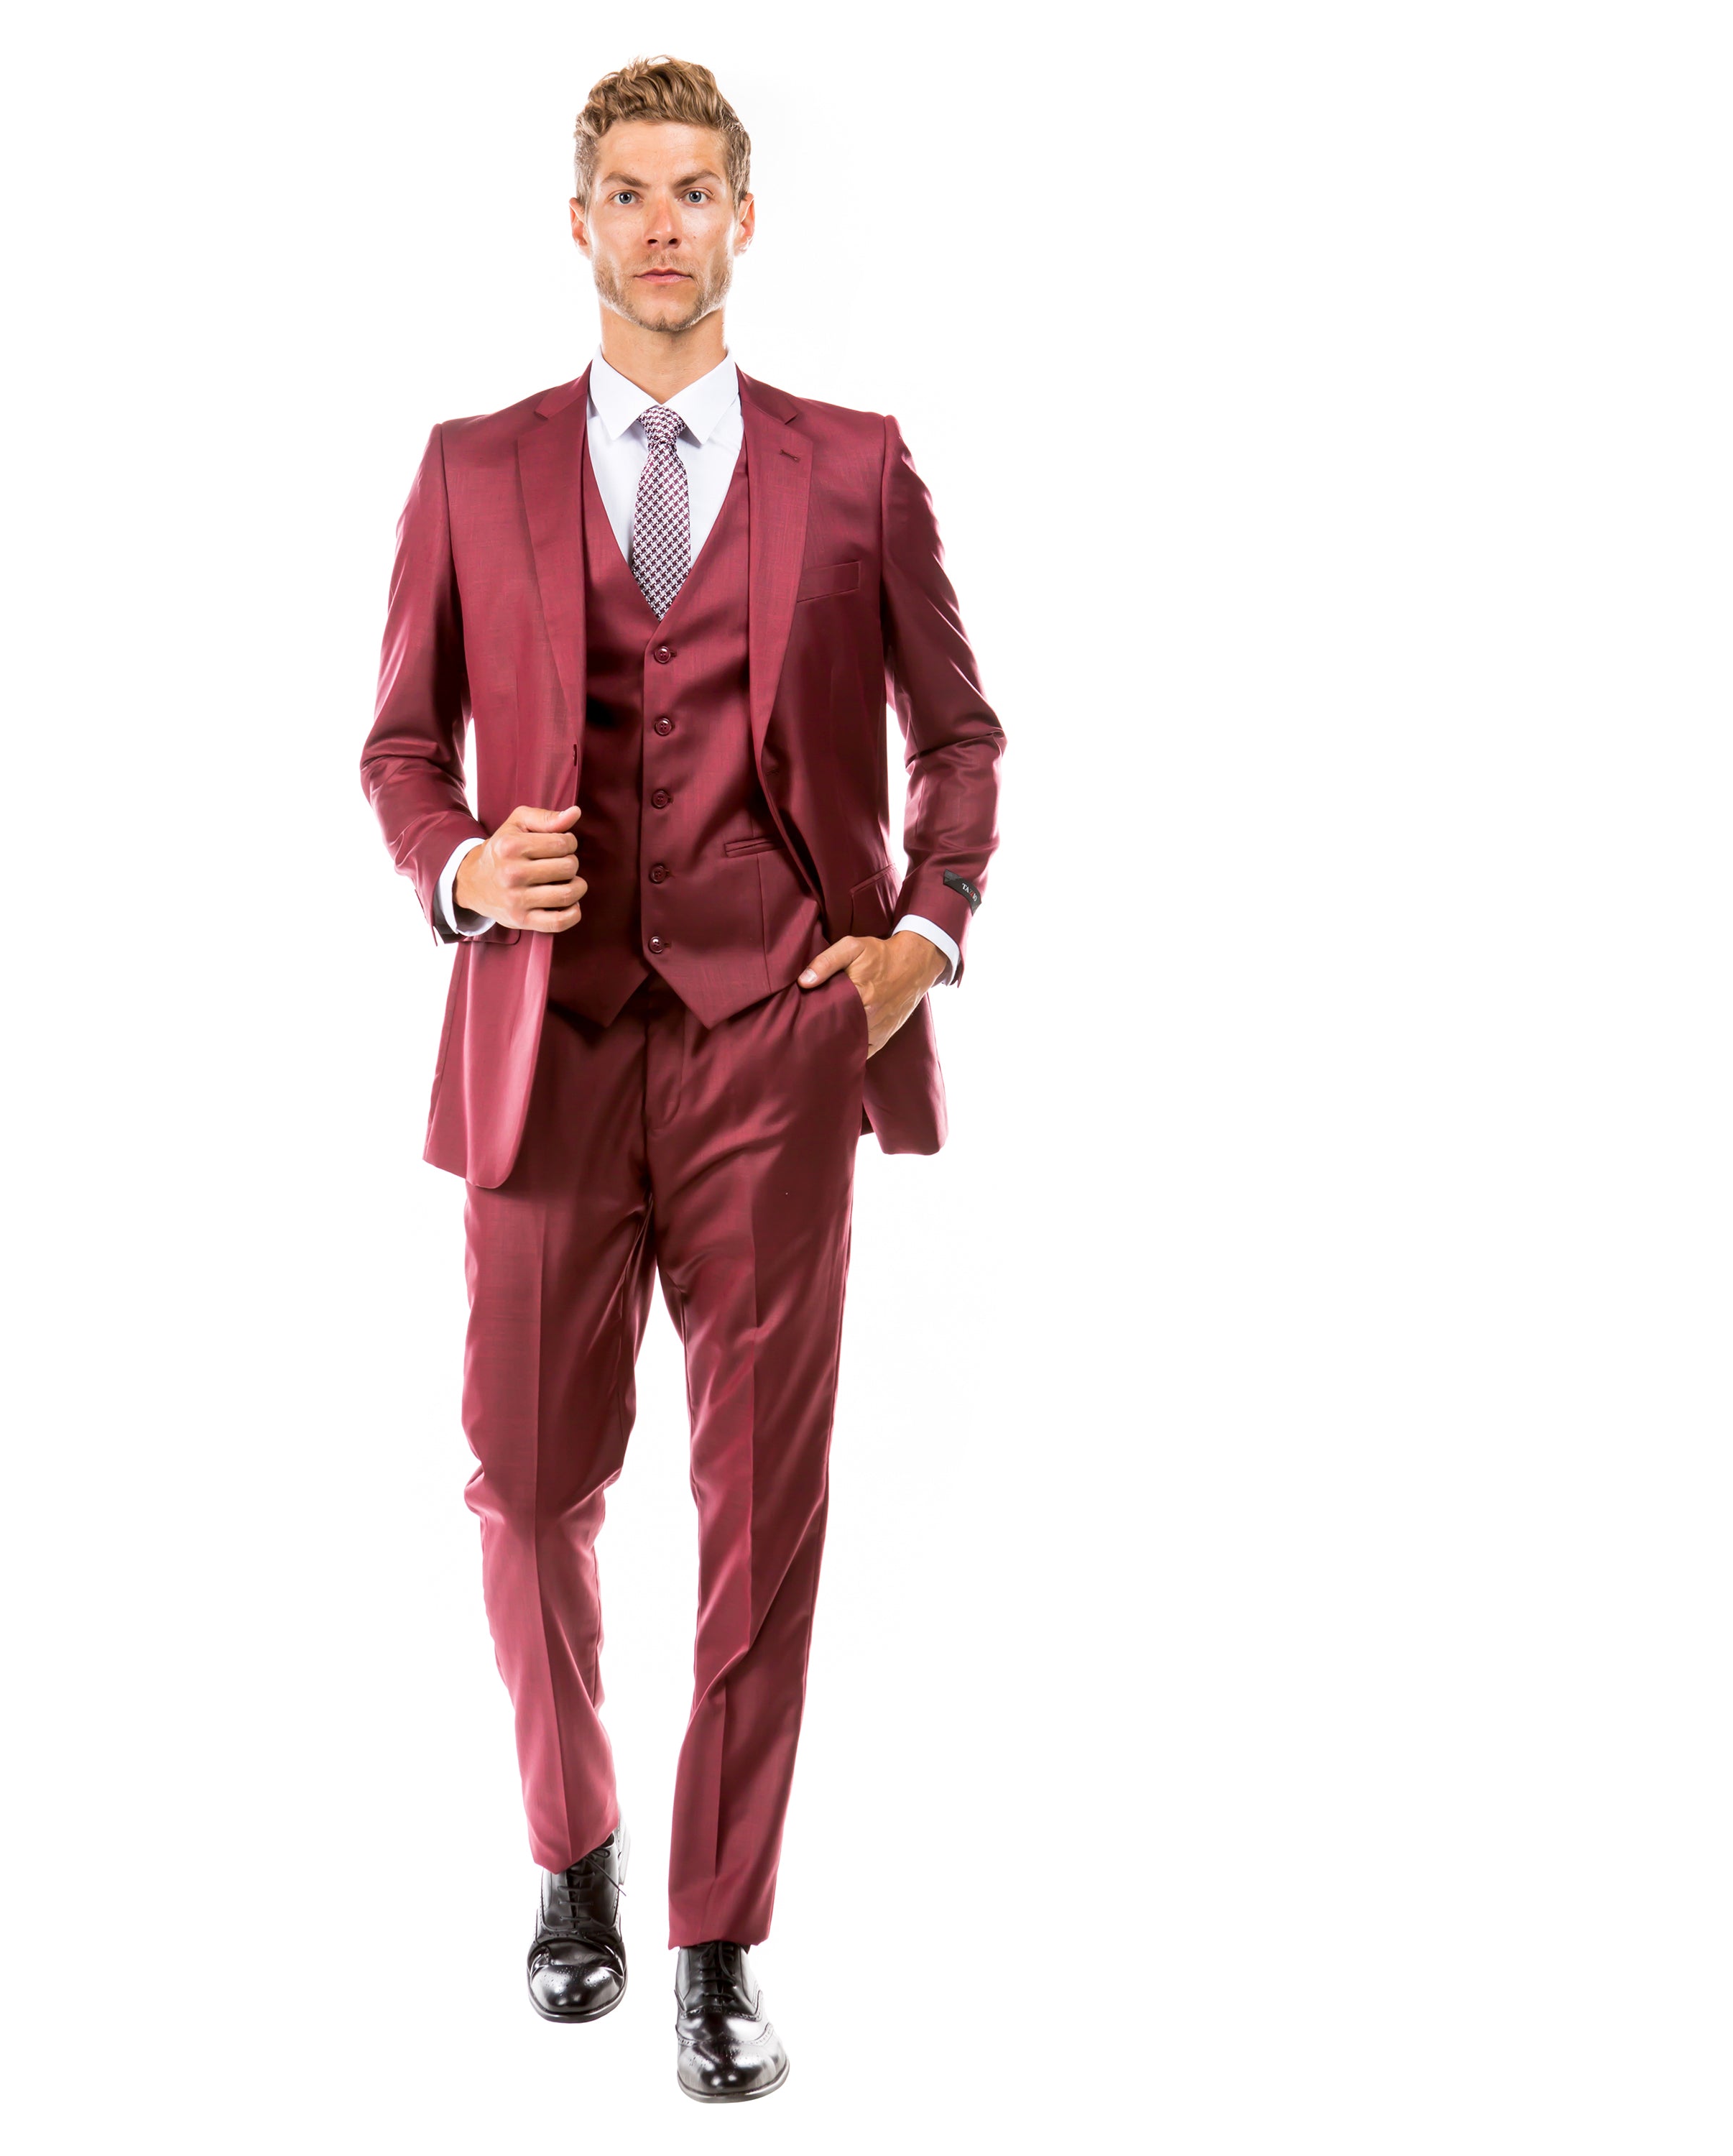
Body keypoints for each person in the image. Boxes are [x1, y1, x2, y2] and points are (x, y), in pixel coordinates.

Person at [359, 55, 1003, 2103]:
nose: (661, 226)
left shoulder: (858, 467)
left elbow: (960, 737)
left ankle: (719, 1942)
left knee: (761, 1510)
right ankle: (576, 1852)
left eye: (693, 191)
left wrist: (920, 938)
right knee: (527, 1479)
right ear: (580, 224)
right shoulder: (470, 467)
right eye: (627, 193)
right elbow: (398, 746)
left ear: (742, 218)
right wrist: (460, 868)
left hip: (774, 1047)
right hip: (546, 1049)